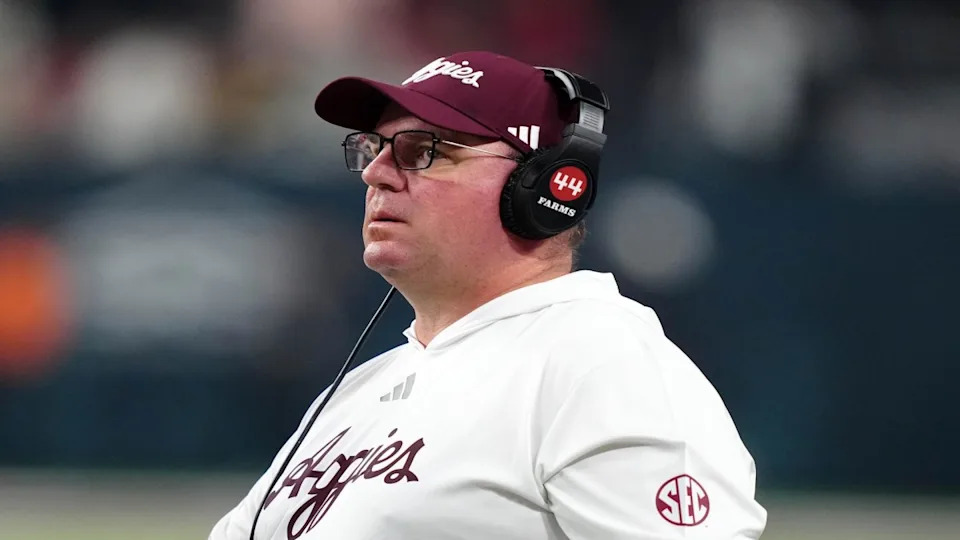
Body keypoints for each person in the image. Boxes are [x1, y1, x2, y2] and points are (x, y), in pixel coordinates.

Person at [209, 51, 767, 540]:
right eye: (374, 148)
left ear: (545, 189)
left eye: (423, 150)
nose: (376, 173)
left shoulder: (601, 365)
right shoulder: (356, 393)